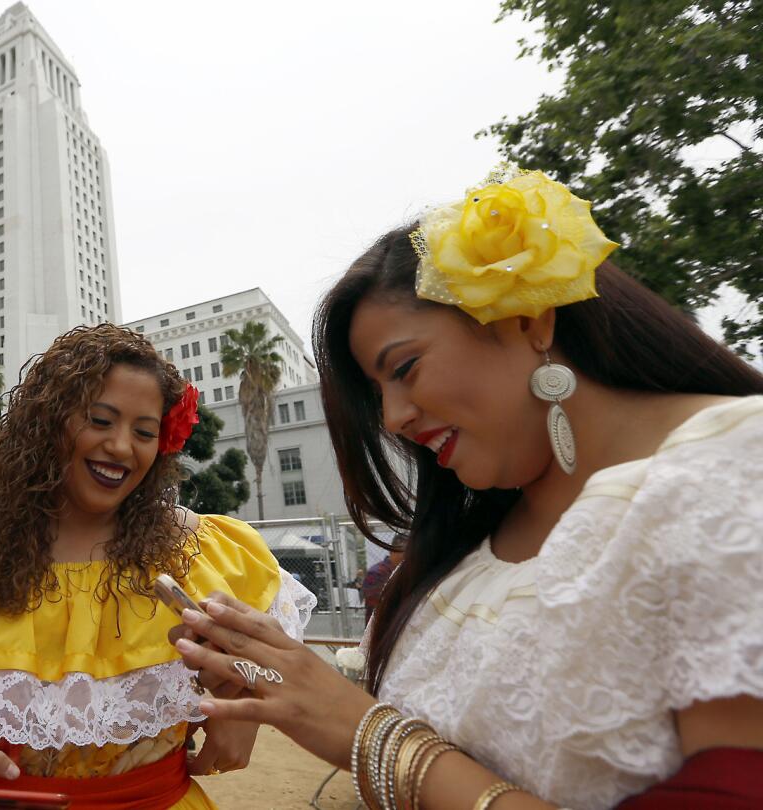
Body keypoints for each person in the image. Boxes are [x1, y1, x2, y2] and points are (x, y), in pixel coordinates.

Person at [171, 164, 763, 809]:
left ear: (530, 319)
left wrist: (373, 739)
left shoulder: (733, 465)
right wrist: (287, 677)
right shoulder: (467, 541)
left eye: (405, 368)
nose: (394, 417)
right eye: (378, 396)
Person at [0, 324, 316, 810]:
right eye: (101, 421)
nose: (122, 446)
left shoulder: (202, 553)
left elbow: (278, 669)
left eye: (144, 432)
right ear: (49, 423)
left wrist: (242, 706)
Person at [358, 548, 402, 621]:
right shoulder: (377, 573)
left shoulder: (398, 572)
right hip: (383, 627)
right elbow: (376, 609)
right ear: (393, 550)